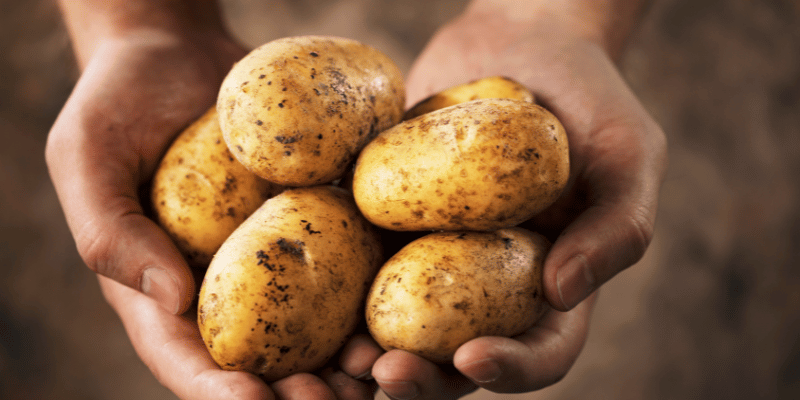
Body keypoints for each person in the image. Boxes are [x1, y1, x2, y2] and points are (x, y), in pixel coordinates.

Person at [45, 0, 667, 398]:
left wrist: (550, 18)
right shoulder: (333, 170)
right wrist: (138, 23)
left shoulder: (382, 173)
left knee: (402, 312)